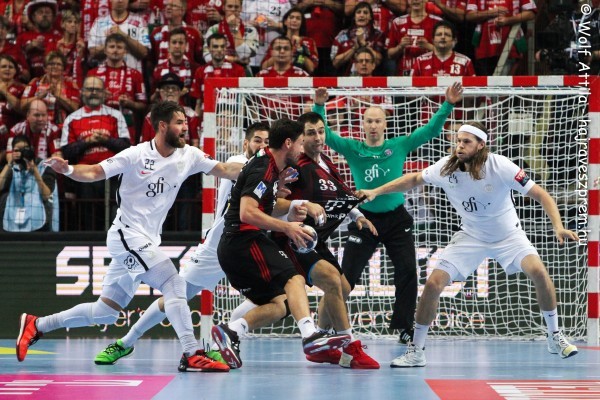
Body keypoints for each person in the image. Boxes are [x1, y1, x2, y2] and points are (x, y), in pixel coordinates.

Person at [16, 100, 244, 373]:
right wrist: (68, 170)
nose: (185, 128)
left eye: (185, 123)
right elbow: (94, 171)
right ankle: (192, 353)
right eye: (179, 123)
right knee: (173, 283)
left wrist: (264, 171)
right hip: (127, 235)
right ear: (162, 126)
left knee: (105, 312)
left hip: (147, 240)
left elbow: (226, 170)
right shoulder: (135, 155)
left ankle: (37, 324)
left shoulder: (190, 155)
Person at [355, 121, 579, 367]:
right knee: (433, 283)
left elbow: (541, 194)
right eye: (458, 141)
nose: (459, 146)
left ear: (481, 145)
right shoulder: (447, 167)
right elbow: (414, 179)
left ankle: (554, 336)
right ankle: (416, 350)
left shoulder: (501, 166)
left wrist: (558, 226)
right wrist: (376, 191)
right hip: (470, 236)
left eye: (466, 142)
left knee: (539, 272)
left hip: (509, 236)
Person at [92, 122, 270, 366]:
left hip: (252, 247)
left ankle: (226, 338)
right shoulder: (240, 163)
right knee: (176, 295)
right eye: (257, 140)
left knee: (275, 294)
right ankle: (126, 342)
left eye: (267, 142)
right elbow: (243, 177)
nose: (262, 146)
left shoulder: (270, 171)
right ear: (246, 143)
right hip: (219, 247)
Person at [312, 82, 463, 344]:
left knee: (408, 271)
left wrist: (448, 103)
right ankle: (323, 330)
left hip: (396, 219)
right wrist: (319, 106)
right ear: (362, 125)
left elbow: (430, 130)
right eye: (369, 121)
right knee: (344, 280)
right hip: (363, 220)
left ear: (385, 124)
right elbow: (325, 135)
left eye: (377, 121)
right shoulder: (353, 149)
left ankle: (404, 327)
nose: (373, 125)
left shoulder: (399, 145)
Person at [212, 118, 351, 369]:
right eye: (300, 143)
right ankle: (310, 335)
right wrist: (287, 227)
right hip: (243, 241)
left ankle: (232, 330)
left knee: (281, 305)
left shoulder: (271, 167)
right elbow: (247, 213)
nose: (302, 149)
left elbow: (264, 207)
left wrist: (290, 209)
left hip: (237, 246)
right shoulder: (263, 167)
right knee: (294, 279)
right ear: (288, 143)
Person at [270, 111, 380, 369]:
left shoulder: (326, 162)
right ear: (301, 137)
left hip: (315, 240)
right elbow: (273, 203)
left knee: (343, 287)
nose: (318, 137)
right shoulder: (296, 167)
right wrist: (301, 204)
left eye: (321, 131)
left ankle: (321, 342)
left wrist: (358, 216)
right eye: (311, 133)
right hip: (292, 238)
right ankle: (350, 349)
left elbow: (341, 195)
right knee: (331, 280)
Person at [60, 76, 130, 231]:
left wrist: (105, 140)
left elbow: (126, 146)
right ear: (82, 92)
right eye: (90, 89)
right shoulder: (72, 118)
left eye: (97, 90)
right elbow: (67, 152)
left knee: (116, 214)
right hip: (85, 175)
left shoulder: (115, 115)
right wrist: (88, 141)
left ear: (104, 93)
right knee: (88, 216)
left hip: (112, 173)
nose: (93, 93)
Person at [87, 34, 148, 144]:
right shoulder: (93, 74)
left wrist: (130, 104)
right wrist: (98, 98)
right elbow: (84, 102)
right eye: (112, 47)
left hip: (126, 125)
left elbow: (143, 106)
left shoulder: (136, 75)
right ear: (105, 50)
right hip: (99, 123)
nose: (115, 50)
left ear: (125, 51)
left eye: (119, 47)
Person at [0, 134, 58, 232]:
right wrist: (9, 164)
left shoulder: (44, 167)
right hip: (12, 221)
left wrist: (34, 170)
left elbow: (46, 195)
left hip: (37, 222)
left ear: (31, 149)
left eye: (24, 149)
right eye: (17, 150)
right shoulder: (11, 168)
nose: (21, 153)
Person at [386, 0, 442, 76]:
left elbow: (445, 53)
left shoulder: (437, 22)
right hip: (404, 75)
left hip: (429, 75)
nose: (415, 0)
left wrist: (428, 46)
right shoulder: (397, 22)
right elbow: (389, 54)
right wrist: (400, 46)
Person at [331, 2, 385, 76]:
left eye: (365, 12)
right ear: (354, 16)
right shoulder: (343, 35)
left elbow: (378, 61)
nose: (361, 15)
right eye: (358, 12)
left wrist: (363, 43)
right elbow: (335, 63)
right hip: (347, 80)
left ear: (370, 17)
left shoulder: (378, 35)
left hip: (371, 80)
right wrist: (354, 48)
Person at [260, 7, 319, 75]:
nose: (294, 20)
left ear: (301, 23)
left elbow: (311, 69)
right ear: (285, 22)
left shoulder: (309, 41)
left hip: (301, 78)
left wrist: (300, 49)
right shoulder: (277, 41)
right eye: (291, 17)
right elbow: (264, 67)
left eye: (298, 18)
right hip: (280, 77)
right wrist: (281, 51)